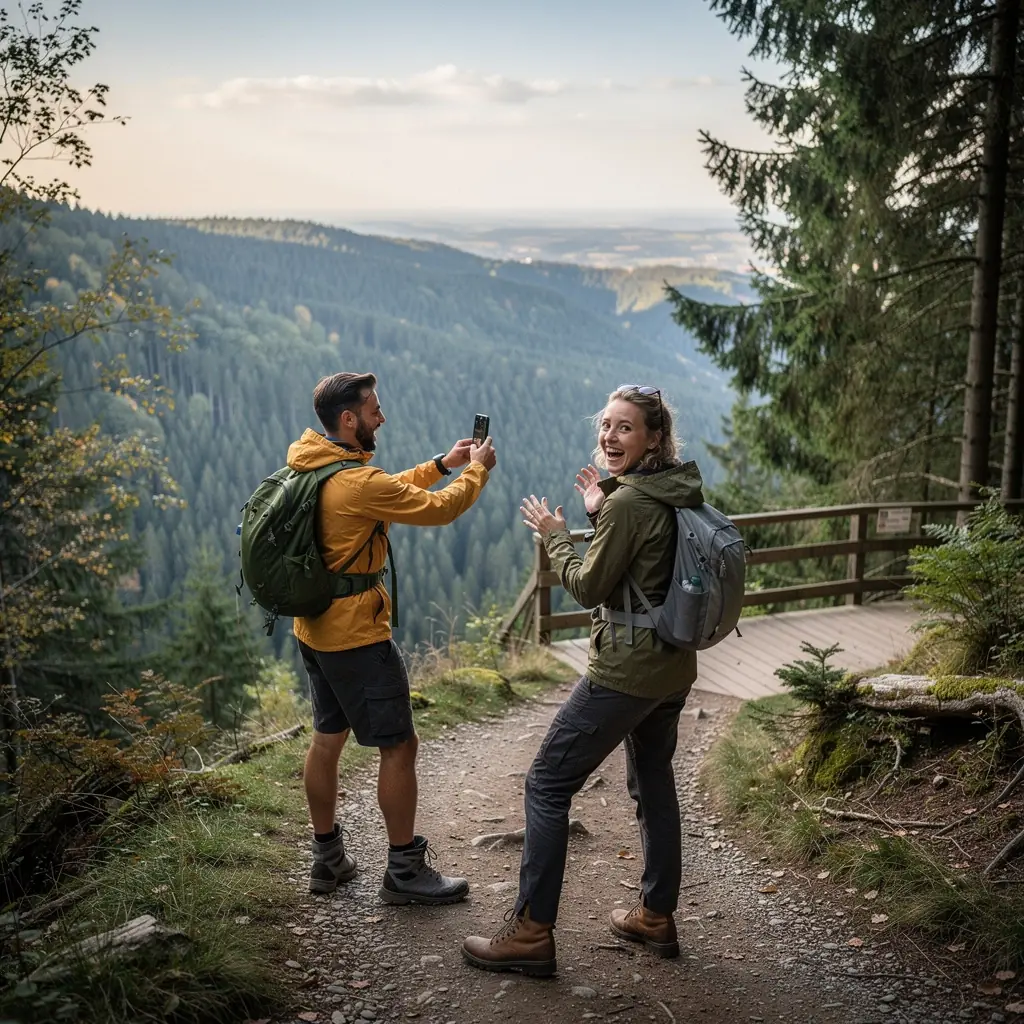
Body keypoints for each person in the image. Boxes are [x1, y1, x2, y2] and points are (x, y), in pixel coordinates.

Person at [462, 384, 703, 975]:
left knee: (546, 782)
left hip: (626, 669)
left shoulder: (629, 504)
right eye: (606, 425)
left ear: (653, 437)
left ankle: (531, 932)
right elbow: (643, 550)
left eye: (625, 428)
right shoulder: (673, 490)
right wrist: (601, 504)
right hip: (673, 666)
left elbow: (591, 587)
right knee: (652, 779)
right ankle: (655, 915)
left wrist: (554, 534)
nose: (610, 436)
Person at [293, 371, 497, 905]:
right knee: (399, 746)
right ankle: (405, 870)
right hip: (357, 637)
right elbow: (440, 509)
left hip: (313, 628)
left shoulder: (312, 461)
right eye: (374, 409)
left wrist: (441, 465)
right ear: (348, 419)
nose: (381, 416)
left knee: (327, 737)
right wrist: (474, 474)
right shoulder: (356, 481)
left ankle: (327, 858)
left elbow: (384, 491)